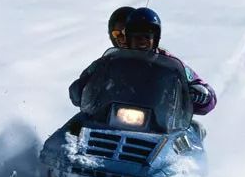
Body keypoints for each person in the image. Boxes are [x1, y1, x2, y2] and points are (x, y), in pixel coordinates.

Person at [70, 7, 216, 116]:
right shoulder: (108, 61)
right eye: (136, 37)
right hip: (109, 117)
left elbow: (203, 89)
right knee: (75, 126)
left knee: (189, 136)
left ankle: (182, 159)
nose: (141, 42)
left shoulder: (169, 63)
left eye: (146, 37)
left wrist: (203, 95)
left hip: (160, 122)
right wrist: (80, 89)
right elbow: (85, 80)